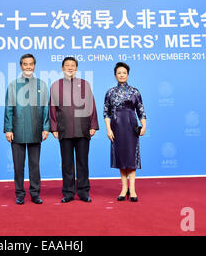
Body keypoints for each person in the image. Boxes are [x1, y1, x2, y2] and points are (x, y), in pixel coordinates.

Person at [50, 57, 99, 203]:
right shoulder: (55, 85)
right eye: (67, 65)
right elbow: (52, 108)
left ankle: (83, 192)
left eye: (73, 65)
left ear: (76, 68)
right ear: (62, 68)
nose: (70, 68)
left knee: (83, 162)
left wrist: (93, 125)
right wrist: (54, 128)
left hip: (83, 129)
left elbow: (91, 105)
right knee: (67, 163)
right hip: (64, 129)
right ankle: (68, 193)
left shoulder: (84, 84)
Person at [4, 54, 50, 205]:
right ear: (21, 66)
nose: (28, 67)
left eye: (31, 64)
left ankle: (35, 193)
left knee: (34, 165)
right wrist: (8, 129)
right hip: (16, 130)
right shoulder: (13, 85)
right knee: (18, 165)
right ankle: (20, 194)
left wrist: (45, 127)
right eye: (25, 64)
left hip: (36, 129)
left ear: (34, 66)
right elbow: (9, 108)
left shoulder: (41, 85)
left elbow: (45, 108)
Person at [103, 62, 147, 202]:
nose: (121, 75)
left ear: (128, 75)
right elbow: (106, 113)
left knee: (131, 158)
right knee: (121, 158)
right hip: (116, 127)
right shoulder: (110, 92)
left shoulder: (135, 91)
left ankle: (132, 189)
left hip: (131, 126)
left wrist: (144, 126)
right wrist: (108, 129)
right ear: (115, 75)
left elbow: (141, 110)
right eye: (119, 73)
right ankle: (123, 189)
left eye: (124, 73)